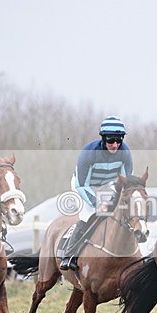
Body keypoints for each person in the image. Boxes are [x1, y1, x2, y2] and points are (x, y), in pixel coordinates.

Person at [60, 116, 134, 271]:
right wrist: (97, 203)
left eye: (119, 140)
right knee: (89, 216)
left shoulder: (125, 153)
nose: (115, 145)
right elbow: (82, 185)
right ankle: (69, 254)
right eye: (111, 140)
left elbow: (125, 182)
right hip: (84, 185)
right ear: (103, 138)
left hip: (107, 185)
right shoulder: (89, 152)